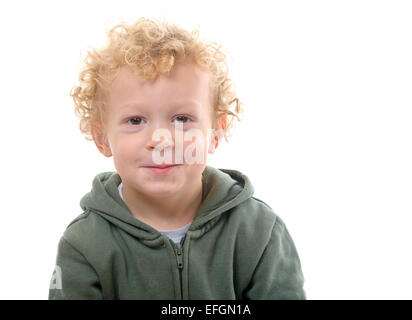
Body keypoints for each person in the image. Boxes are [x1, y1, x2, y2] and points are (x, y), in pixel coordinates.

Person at [48, 17, 306, 300]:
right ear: (101, 137)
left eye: (182, 119)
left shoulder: (259, 231)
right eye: (135, 120)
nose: (161, 140)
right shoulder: (84, 244)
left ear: (216, 132)